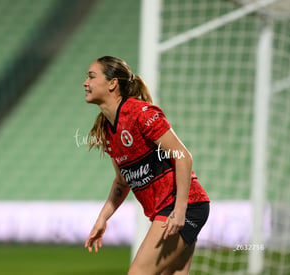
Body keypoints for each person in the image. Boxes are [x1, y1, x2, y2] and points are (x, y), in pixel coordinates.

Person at [83, 56, 210, 275]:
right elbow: (122, 182)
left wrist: (179, 212)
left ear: (112, 83)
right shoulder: (106, 129)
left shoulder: (140, 114)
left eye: (92, 77)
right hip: (171, 210)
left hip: (183, 206)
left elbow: (183, 157)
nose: (85, 83)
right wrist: (102, 219)